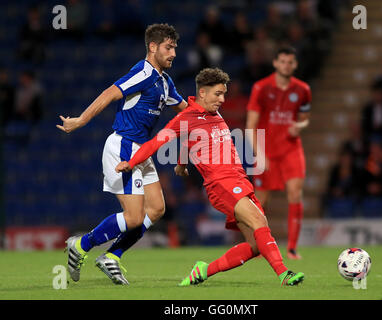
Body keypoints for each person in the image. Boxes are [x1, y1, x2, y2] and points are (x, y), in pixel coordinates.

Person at [116, 67, 305, 287]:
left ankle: (204, 270)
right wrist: (130, 163)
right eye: (218, 94)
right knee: (259, 221)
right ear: (203, 93)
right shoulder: (185, 117)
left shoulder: (213, 113)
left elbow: (190, 140)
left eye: (224, 94)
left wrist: (181, 164)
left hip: (239, 180)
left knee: (254, 246)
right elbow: (156, 142)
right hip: (221, 183)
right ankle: (284, 274)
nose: (222, 99)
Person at [57, 24, 187, 285]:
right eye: (168, 47)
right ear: (153, 47)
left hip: (142, 150)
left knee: (157, 208)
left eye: (175, 47)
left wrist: (206, 112)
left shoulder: (165, 81)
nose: (174, 53)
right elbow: (109, 93)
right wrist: (80, 120)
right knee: (134, 217)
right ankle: (81, 244)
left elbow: (186, 111)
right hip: (124, 147)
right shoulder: (143, 72)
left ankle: (112, 256)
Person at [245, 46, 311, 260]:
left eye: (290, 62)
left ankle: (292, 248)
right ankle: (254, 246)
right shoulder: (261, 88)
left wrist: (299, 127)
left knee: (295, 193)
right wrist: (259, 154)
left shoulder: (303, 90)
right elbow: (250, 126)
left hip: (291, 148)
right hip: (267, 151)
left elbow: (304, 118)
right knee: (260, 202)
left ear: (295, 64)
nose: (286, 65)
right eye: (282, 61)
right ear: (275, 63)